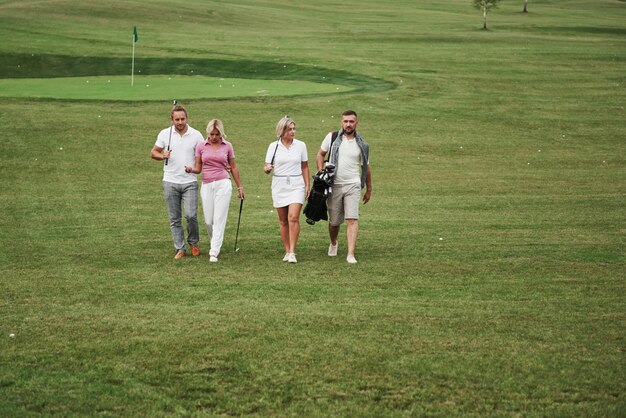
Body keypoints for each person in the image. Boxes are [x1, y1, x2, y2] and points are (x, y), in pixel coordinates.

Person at [316, 110, 372, 264]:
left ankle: (350, 254)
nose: (348, 124)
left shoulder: (363, 144)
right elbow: (320, 154)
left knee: (352, 219)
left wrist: (369, 189)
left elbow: (366, 167)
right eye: (346, 121)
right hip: (334, 185)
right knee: (334, 221)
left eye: (351, 121)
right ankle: (333, 242)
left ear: (356, 123)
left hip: (353, 185)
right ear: (342, 122)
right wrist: (322, 171)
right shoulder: (332, 137)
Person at [185, 119, 244, 263]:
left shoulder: (227, 146)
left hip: (223, 183)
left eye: (217, 134)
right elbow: (198, 168)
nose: (214, 137)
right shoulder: (201, 146)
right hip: (207, 184)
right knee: (208, 220)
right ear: (208, 133)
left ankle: (214, 251)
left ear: (221, 133)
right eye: (211, 134)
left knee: (219, 219)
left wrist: (239, 187)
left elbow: (234, 167)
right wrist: (191, 169)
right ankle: (215, 242)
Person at [150, 105, 204, 260]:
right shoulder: (165, 134)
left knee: (191, 215)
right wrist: (162, 156)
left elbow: (204, 153)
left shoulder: (196, 135)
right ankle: (180, 248)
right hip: (170, 181)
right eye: (177, 119)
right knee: (175, 218)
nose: (180, 122)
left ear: (187, 118)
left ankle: (194, 243)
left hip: (189, 181)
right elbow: (153, 152)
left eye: (183, 119)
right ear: (172, 120)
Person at [264, 116, 310, 263]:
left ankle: (292, 252)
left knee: (293, 217)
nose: (293, 132)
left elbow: (305, 166)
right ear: (282, 130)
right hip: (279, 184)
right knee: (283, 220)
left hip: (297, 184)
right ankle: (287, 249)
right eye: (289, 129)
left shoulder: (301, 145)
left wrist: (308, 185)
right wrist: (267, 169)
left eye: (293, 129)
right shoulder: (273, 146)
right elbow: (266, 166)